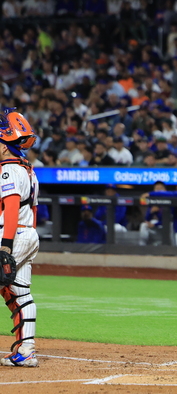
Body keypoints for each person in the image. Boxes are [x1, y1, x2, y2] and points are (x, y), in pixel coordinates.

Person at [0, 110, 40, 367]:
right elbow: (33, 209)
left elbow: (12, 206)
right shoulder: (28, 169)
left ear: (5, 147)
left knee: (14, 292)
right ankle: (25, 352)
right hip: (29, 234)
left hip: (11, 234)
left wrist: (6, 246)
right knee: (20, 293)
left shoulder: (7, 169)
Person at [139, 181, 167, 246]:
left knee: (171, 225)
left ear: (165, 190)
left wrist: (155, 224)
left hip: (167, 226)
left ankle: (171, 247)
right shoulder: (153, 201)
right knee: (144, 225)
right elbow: (147, 219)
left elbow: (169, 220)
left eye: (161, 188)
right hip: (159, 226)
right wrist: (151, 212)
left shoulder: (170, 199)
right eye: (157, 189)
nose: (159, 191)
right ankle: (142, 247)